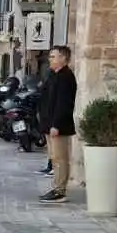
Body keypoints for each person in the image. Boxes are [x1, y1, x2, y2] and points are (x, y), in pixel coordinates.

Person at [39, 45, 77, 204]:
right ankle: (56, 187)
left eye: (53, 56)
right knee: (54, 157)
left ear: (63, 58)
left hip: (58, 125)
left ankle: (60, 190)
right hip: (49, 123)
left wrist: (56, 125)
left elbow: (64, 104)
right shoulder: (52, 75)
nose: (50, 59)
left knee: (61, 158)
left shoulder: (66, 77)